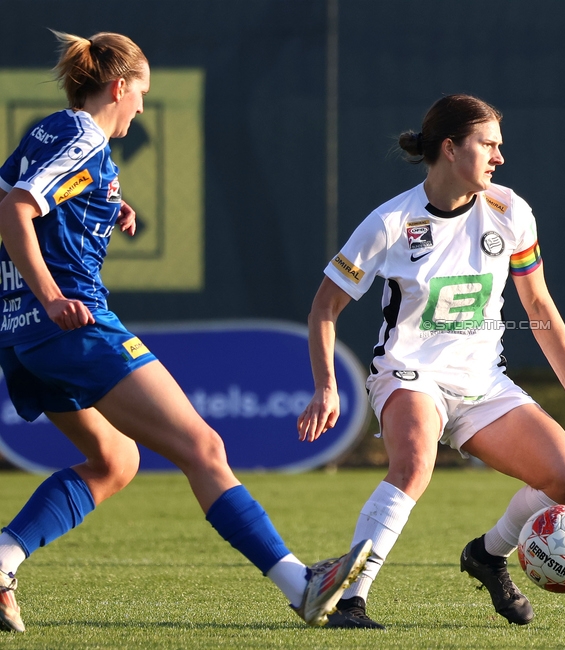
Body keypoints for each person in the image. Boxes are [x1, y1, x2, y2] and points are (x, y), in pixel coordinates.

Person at [0, 31, 370, 634]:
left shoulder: (56, 132)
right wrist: (52, 294)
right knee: (205, 450)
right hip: (73, 325)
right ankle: (299, 585)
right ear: (119, 87)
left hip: (22, 333)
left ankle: (3, 559)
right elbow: (15, 209)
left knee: (115, 460)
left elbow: (19, 193)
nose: (142, 106)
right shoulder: (80, 135)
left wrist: (104, 205)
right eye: (141, 93)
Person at [297, 93, 565, 629]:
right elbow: (325, 307)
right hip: (408, 372)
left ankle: (487, 556)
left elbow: (537, 305)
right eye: (489, 144)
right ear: (450, 148)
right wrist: (326, 385)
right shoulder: (390, 223)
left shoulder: (510, 211)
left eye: (499, 146)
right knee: (415, 462)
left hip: (482, 382)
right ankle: (350, 597)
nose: (499, 157)